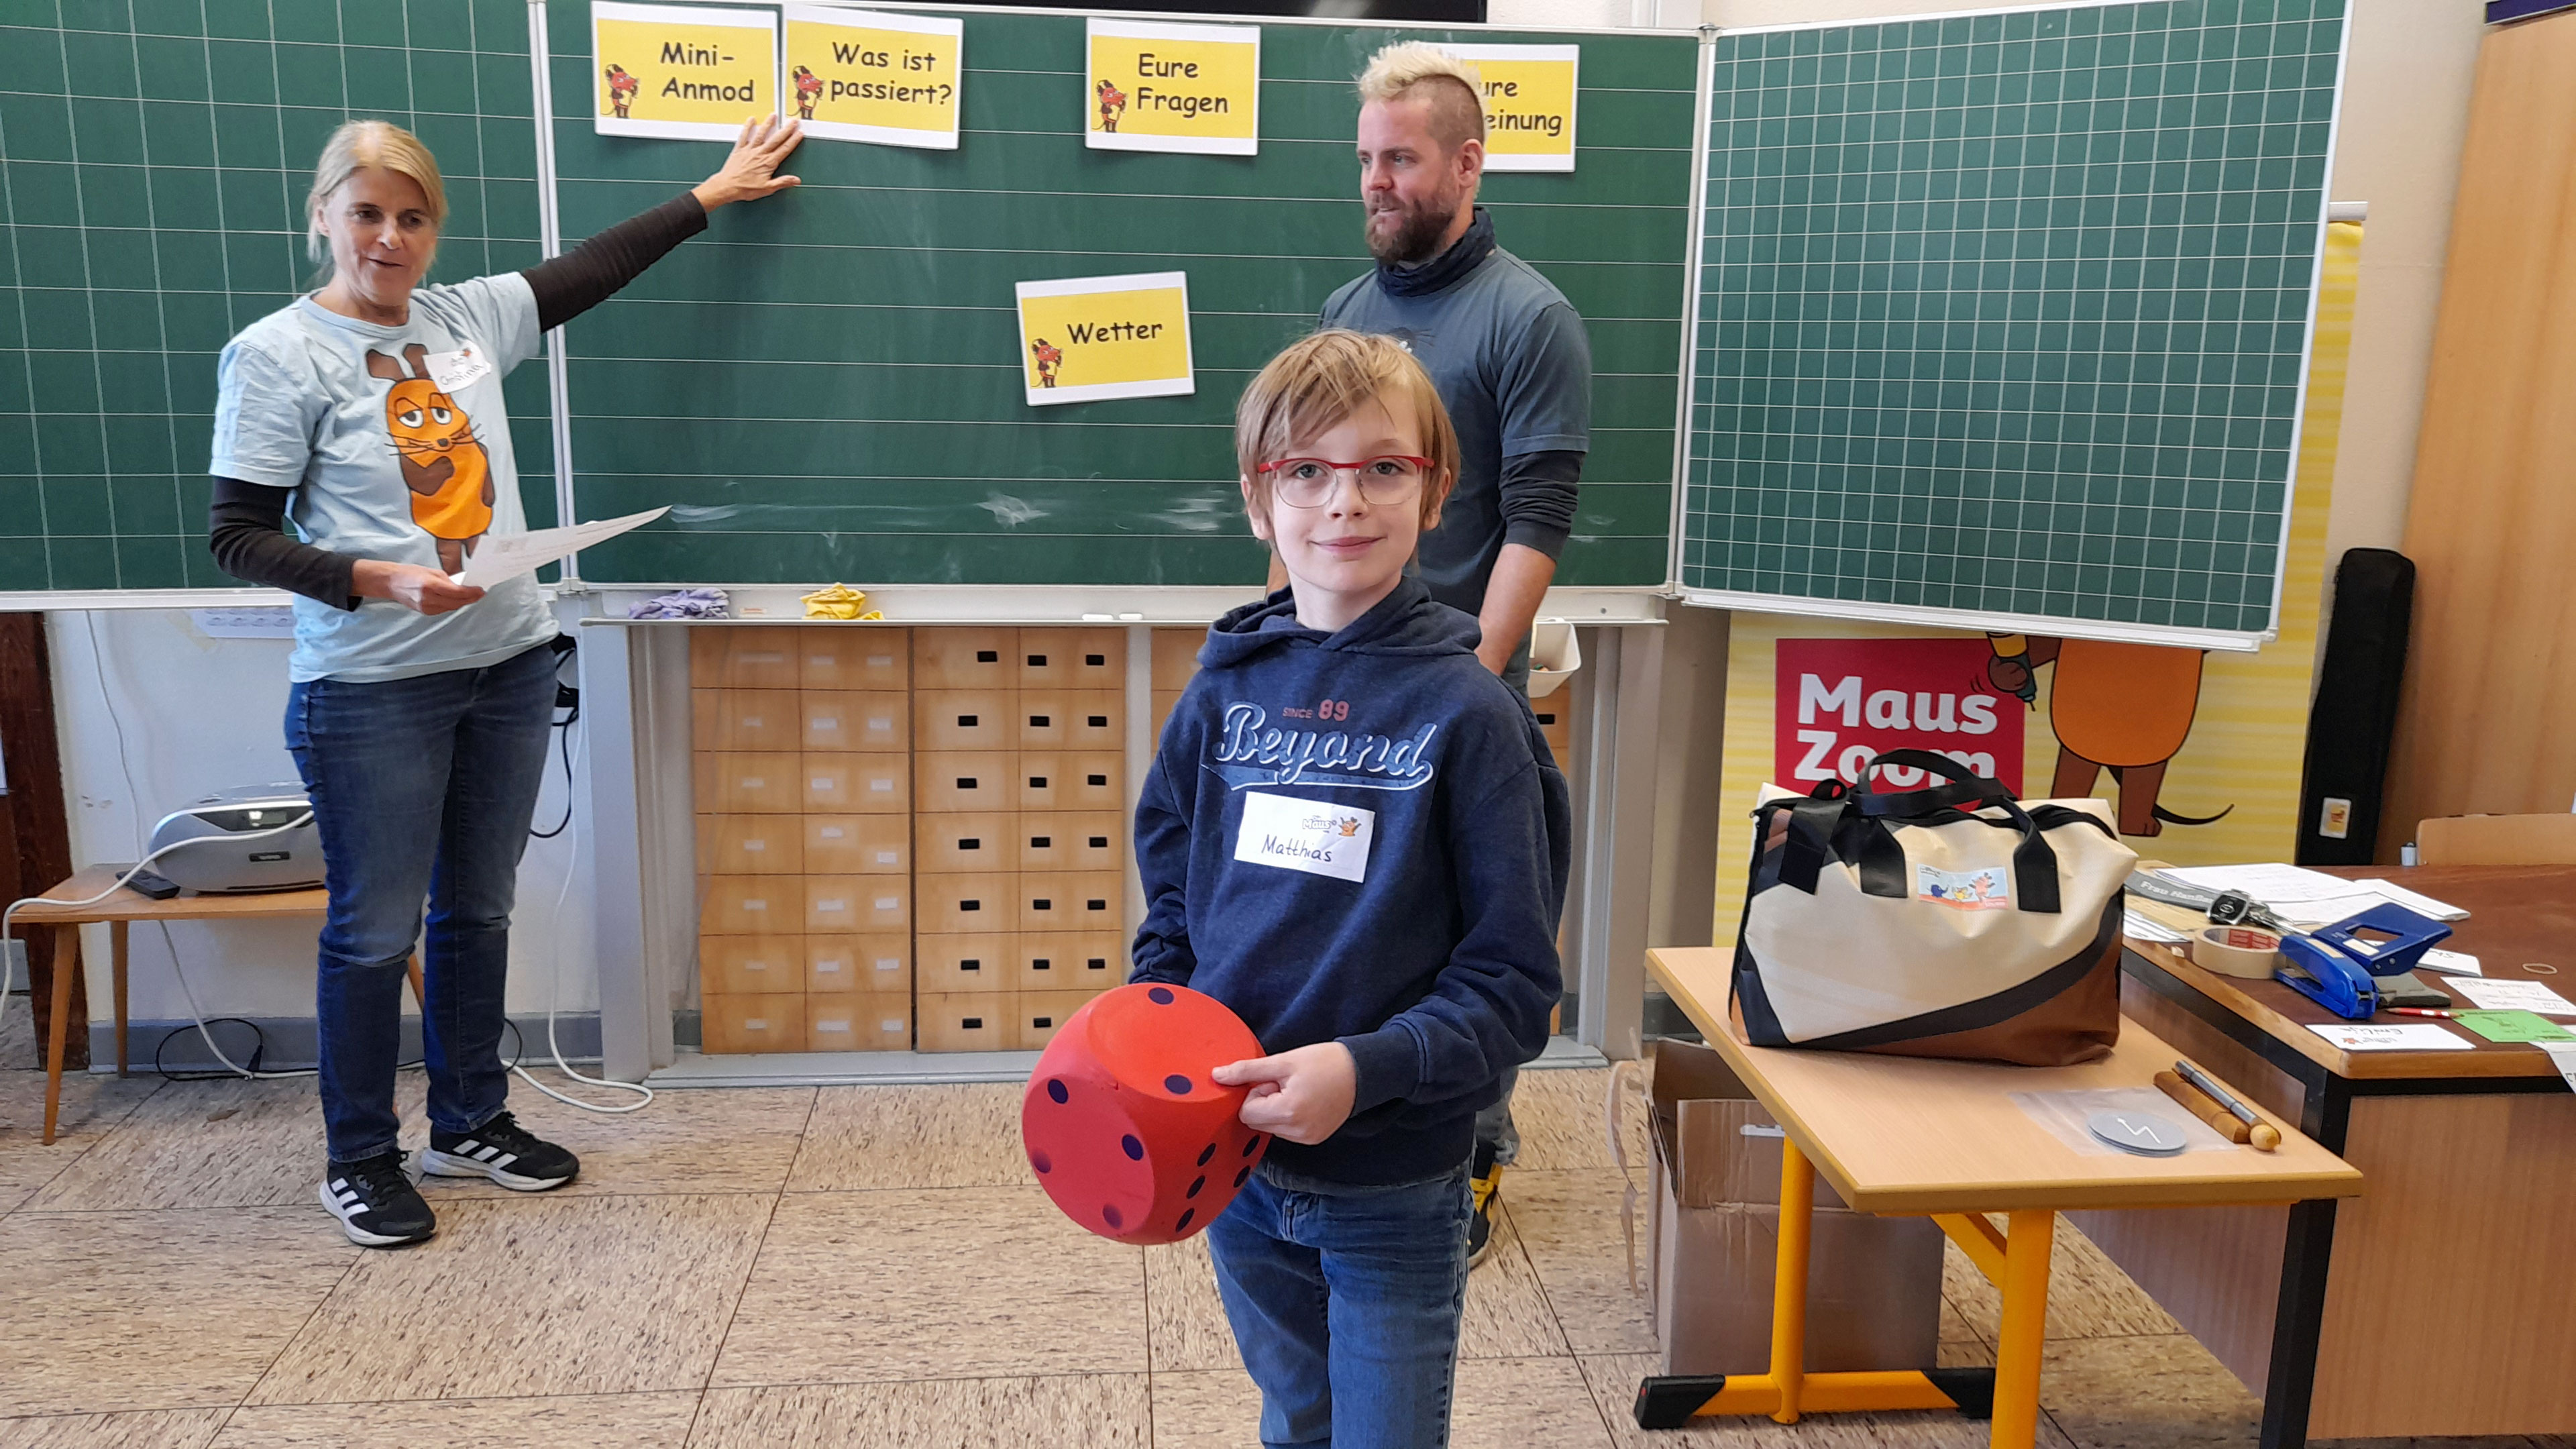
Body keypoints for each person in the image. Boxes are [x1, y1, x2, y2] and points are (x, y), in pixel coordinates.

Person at [206, 115, 803, 1247]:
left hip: (509, 664)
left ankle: (470, 1121)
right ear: (324, 214)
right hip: (373, 688)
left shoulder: (463, 319)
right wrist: (371, 579)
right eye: (369, 212)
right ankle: (359, 1157)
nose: (391, 237)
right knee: (374, 934)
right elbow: (237, 535)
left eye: (414, 217)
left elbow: (590, 268)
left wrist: (711, 194)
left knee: (477, 910)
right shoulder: (277, 355)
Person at [1133, 329, 1570, 1448]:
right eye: (1307, 471)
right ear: (1258, 500)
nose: (1345, 501)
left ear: (1435, 496)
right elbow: (1175, 900)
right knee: (1295, 1421)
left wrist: (1363, 1070)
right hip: (1236, 1171)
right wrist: (1161, 1035)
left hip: (1393, 1185)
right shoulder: (1225, 694)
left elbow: (1514, 985)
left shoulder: (1471, 718)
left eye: (1385, 467)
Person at [1316, 40, 1594, 1263]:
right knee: (1368, 924)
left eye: (1401, 160)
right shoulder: (1346, 315)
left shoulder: (1529, 317)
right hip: (1349, 695)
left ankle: (1476, 1157)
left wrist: (1469, 689)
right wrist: (1286, 652)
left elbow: (1537, 522)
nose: (1377, 182)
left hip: (1461, 695)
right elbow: (1300, 508)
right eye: (1367, 160)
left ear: (1467, 164)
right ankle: (1363, 1131)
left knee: (1479, 937)